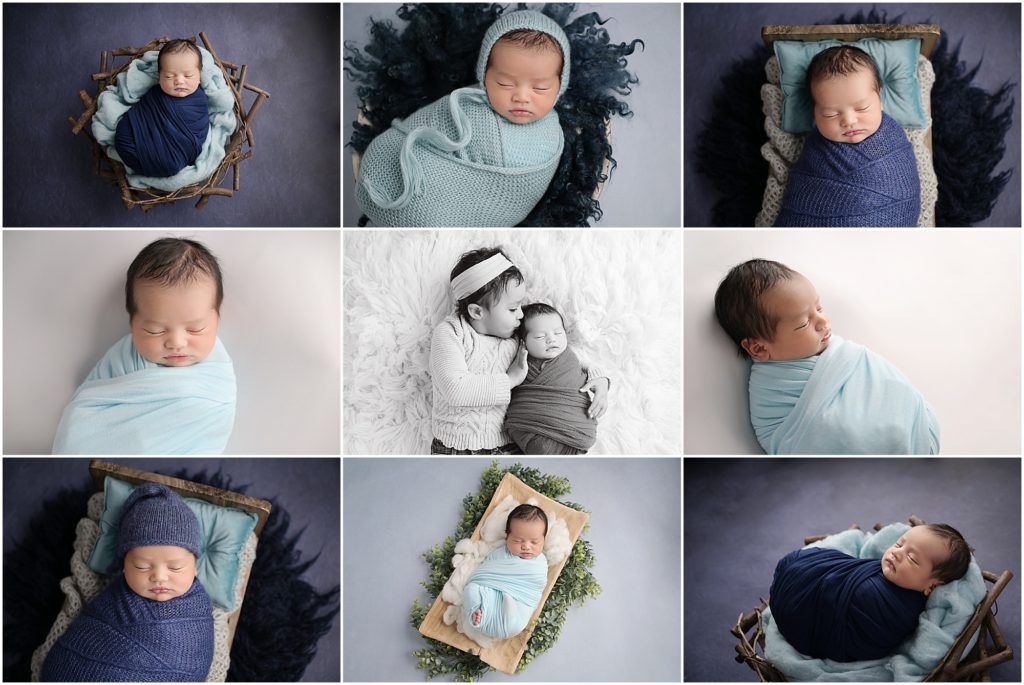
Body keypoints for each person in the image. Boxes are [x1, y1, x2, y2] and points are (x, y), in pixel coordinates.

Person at [355, 10, 571, 226]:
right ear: (484, 76)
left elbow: (519, 196)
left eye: (540, 87)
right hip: (404, 174)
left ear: (560, 87)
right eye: (505, 83)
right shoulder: (466, 102)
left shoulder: (552, 136)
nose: (522, 97)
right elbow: (420, 126)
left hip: (457, 213)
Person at [714, 258, 939, 454]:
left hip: (914, 429)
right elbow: (800, 436)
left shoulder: (843, 355)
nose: (822, 322)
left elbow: (885, 383)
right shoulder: (774, 388)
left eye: (819, 308)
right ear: (759, 349)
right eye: (804, 323)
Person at [52, 238, 236, 454]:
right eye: (155, 331)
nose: (176, 343)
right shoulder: (124, 357)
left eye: (195, 329)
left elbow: (211, 424)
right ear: (132, 324)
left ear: (217, 319)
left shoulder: (217, 376)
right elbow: (86, 412)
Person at [429, 247, 608, 454]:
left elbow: (568, 360)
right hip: (455, 447)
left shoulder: (518, 337)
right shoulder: (452, 333)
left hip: (513, 444)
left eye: (521, 306)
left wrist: (600, 380)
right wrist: (511, 379)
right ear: (477, 311)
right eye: (512, 309)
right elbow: (456, 391)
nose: (521, 315)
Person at [42, 484, 214, 681]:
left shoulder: (197, 613)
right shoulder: (114, 601)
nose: (159, 577)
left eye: (175, 568)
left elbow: (194, 665)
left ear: (195, 567)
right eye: (141, 566)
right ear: (124, 565)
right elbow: (80, 643)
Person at [769, 524, 972, 662]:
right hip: (797, 591)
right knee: (797, 565)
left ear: (932, 587)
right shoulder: (880, 572)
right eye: (899, 544)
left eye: (912, 558)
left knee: (800, 567)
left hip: (803, 618)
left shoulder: (894, 608)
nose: (897, 553)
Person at [775, 45, 920, 226]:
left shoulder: (893, 141)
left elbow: (905, 191)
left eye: (862, 108)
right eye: (830, 114)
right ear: (814, 113)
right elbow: (801, 198)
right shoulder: (815, 149)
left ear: (880, 98)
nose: (849, 121)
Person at [504, 303, 599, 454]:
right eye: (540, 336)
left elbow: (595, 370)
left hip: (577, 428)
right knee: (541, 448)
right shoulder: (519, 361)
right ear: (524, 342)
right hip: (532, 428)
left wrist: (603, 382)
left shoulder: (573, 356)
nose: (551, 339)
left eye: (558, 333)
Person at [114, 39, 210, 178]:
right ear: (159, 77)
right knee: (123, 136)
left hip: (171, 157)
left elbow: (200, 129)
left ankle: (154, 163)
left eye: (188, 75)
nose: (179, 81)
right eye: (169, 76)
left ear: (199, 76)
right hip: (135, 140)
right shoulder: (156, 94)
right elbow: (142, 112)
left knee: (171, 164)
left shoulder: (199, 101)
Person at [463, 504, 549, 640]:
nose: (526, 546)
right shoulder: (499, 554)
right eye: (518, 540)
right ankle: (476, 612)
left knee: (516, 622)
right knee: (470, 588)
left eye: (535, 542)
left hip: (519, 601)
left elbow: (536, 583)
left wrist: (510, 591)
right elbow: (484, 574)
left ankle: (508, 614)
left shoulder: (540, 562)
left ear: (544, 539)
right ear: (507, 537)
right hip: (491, 597)